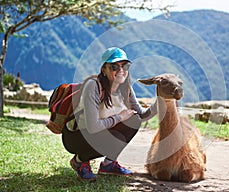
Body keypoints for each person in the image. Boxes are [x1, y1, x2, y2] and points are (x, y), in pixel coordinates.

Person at [61, 47, 157, 180]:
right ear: (104, 69)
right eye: (114, 67)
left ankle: (108, 164)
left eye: (125, 66)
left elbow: (142, 114)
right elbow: (92, 127)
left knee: (134, 120)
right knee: (114, 134)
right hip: (76, 136)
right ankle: (79, 161)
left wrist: (162, 100)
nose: (121, 71)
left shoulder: (126, 88)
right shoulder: (93, 86)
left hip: (99, 132)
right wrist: (119, 117)